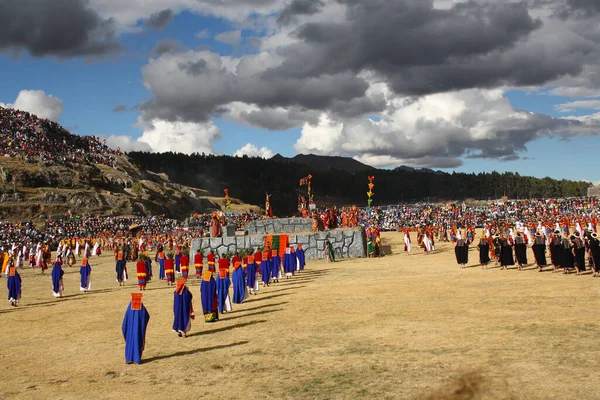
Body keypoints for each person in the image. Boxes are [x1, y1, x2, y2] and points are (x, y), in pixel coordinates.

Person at [122, 293, 150, 364]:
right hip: (138, 331)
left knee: (130, 343)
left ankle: (129, 359)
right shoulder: (142, 308)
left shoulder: (129, 307)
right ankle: (136, 359)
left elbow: (125, 321)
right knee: (137, 342)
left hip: (130, 331)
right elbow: (146, 316)